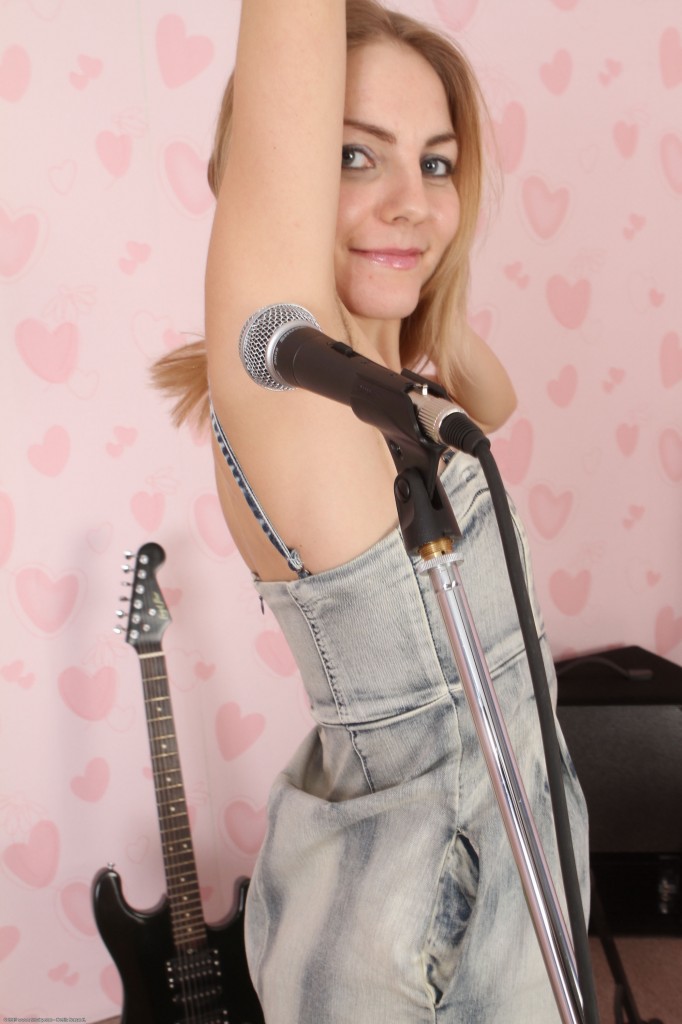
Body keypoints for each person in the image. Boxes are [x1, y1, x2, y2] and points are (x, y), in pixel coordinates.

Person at [153, 1, 590, 1021]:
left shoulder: (396, 398)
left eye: (437, 165)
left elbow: (494, 403)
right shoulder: (292, 401)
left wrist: (424, 271)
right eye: (354, 155)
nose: (411, 202)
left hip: (506, 890)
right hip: (418, 950)